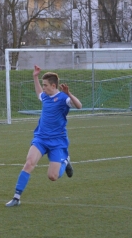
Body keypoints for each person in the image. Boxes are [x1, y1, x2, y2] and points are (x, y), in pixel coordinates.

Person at [6, 65, 82, 207]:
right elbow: (39, 93)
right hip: (41, 138)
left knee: (52, 176)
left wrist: (69, 93)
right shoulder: (45, 97)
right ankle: (16, 197)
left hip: (57, 142)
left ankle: (65, 161)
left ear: (53, 86)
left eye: (45, 85)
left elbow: (79, 106)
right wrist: (35, 76)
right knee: (29, 163)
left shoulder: (62, 98)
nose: (44, 87)